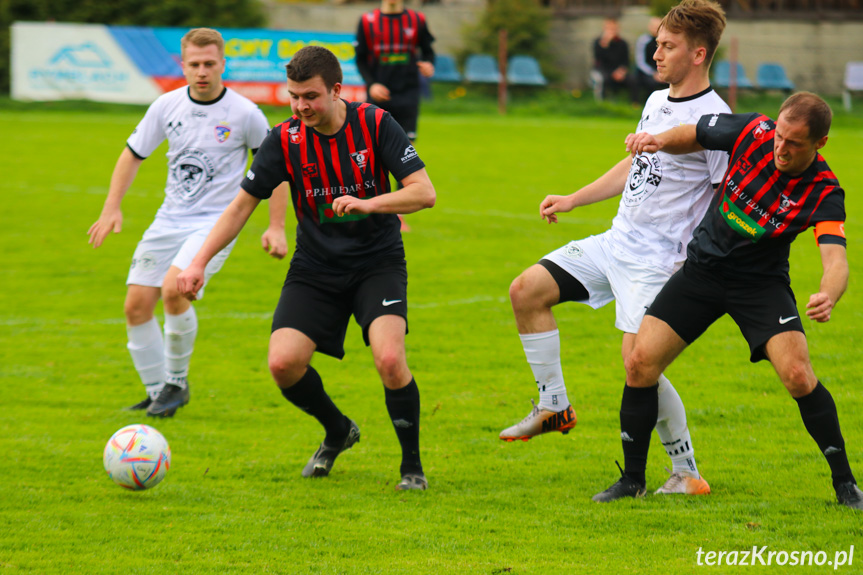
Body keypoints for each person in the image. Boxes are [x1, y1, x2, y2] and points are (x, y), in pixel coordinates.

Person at [176, 46, 436, 490]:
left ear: (337, 90)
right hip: (315, 266)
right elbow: (240, 208)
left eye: (310, 96)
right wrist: (199, 262)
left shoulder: (375, 124)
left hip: (377, 261)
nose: (300, 107)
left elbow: (424, 192)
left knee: (390, 359)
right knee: (283, 364)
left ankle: (411, 467)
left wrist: (370, 203)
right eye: (294, 97)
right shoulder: (286, 138)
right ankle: (338, 430)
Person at [502, 0, 728, 496]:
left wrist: (700, 263)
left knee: (639, 364)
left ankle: (686, 472)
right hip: (615, 242)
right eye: (658, 42)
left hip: (658, 261)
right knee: (527, 291)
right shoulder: (655, 100)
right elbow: (635, 168)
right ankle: (554, 406)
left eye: (668, 45)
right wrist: (575, 198)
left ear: (698, 53)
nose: (656, 51)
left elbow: (723, 196)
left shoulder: (715, 119)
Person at [595, 91, 863, 510]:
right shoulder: (754, 130)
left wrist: (828, 293)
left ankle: (846, 486)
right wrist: (660, 140)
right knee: (639, 362)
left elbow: (836, 257)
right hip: (701, 272)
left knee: (797, 373)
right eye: (780, 135)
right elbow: (696, 132)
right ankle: (632, 480)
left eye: (794, 142)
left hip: (759, 285)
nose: (781, 147)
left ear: (819, 144)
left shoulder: (824, 190)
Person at [88, 28, 287, 418]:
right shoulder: (166, 106)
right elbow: (132, 154)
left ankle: (176, 383)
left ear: (222, 64)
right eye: (194, 64)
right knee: (135, 306)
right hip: (168, 219)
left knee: (174, 290)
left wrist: (275, 225)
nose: (202, 71)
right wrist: (112, 207)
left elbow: (276, 170)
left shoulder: (245, 113)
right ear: (182, 65)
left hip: (215, 223)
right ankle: (157, 391)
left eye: (209, 64)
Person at [355, 0, 435, 232]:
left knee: (405, 154)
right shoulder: (368, 21)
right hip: (379, 96)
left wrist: (429, 64)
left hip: (408, 95)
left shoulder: (417, 20)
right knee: (371, 154)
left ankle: (398, 214)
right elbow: (360, 59)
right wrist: (372, 84)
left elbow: (428, 51)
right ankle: (371, 209)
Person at [591, 16, 637, 104]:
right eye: (608, 29)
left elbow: (626, 61)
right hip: (604, 70)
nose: (611, 31)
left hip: (619, 71)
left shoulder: (623, 43)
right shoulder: (598, 43)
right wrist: (604, 44)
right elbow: (598, 60)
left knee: (633, 80)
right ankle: (602, 104)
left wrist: (621, 71)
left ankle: (635, 105)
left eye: (613, 29)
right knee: (602, 80)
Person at [634, 16, 667, 103]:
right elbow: (640, 62)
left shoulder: (666, 41)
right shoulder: (643, 40)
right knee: (650, 83)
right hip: (647, 71)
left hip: (661, 70)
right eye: (654, 26)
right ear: (649, 27)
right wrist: (653, 73)